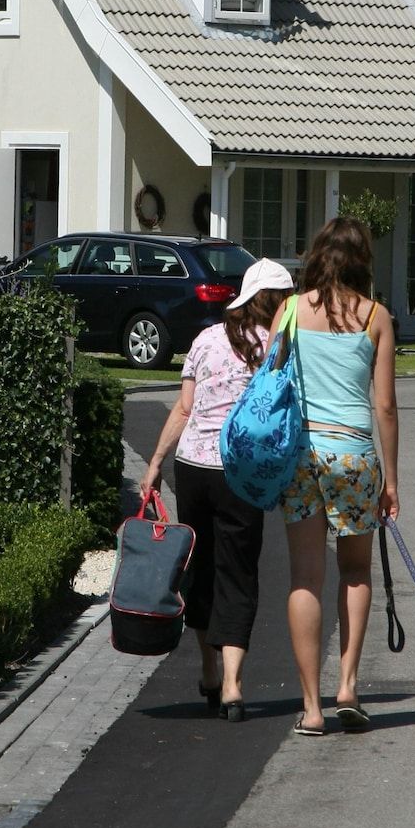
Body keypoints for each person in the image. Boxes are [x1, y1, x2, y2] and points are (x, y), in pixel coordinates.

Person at [138, 258, 294, 722]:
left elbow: (184, 409)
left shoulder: (206, 339)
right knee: (238, 573)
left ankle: (208, 670)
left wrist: (156, 462)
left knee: (201, 569)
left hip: (192, 468)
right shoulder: (277, 347)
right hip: (240, 472)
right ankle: (232, 685)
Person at [282, 217, 399, 738]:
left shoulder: (290, 310)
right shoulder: (376, 317)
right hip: (354, 457)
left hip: (302, 456)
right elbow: (386, 407)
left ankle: (311, 708)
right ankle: (348, 685)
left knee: (305, 578)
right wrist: (391, 481)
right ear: (362, 260)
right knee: (355, 571)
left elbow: (269, 380)